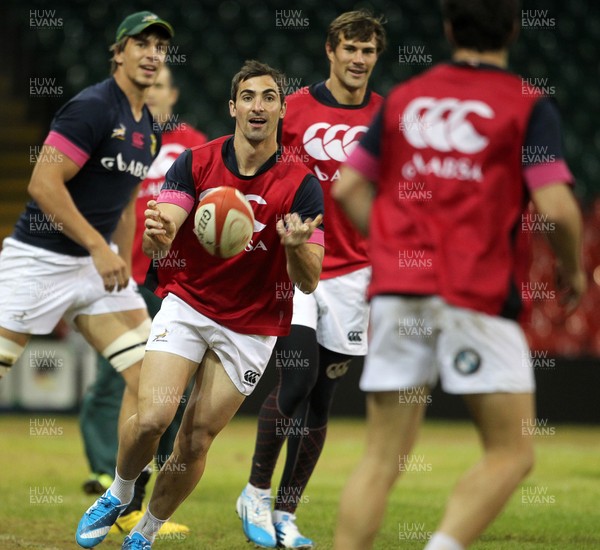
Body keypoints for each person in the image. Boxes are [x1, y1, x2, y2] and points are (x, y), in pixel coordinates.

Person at [331, 1, 586, 549]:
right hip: (475, 293)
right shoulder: (526, 104)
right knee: (512, 453)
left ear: (448, 28)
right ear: (515, 28)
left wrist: (391, 249)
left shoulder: (405, 97)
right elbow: (560, 209)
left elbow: (349, 188)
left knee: (380, 459)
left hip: (399, 294)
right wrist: (573, 272)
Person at [75, 59, 325, 550]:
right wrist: (160, 231)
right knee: (152, 419)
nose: (258, 105)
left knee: (195, 440)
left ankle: (145, 532)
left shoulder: (302, 186)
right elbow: (160, 235)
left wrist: (296, 247)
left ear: (281, 110)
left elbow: (310, 283)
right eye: (248, 96)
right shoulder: (196, 162)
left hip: (251, 325)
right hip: (189, 304)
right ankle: (120, 492)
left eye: (270, 97)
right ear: (233, 106)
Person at [237, 10, 386, 549]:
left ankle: (285, 514)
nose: (358, 59)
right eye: (350, 48)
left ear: (376, 56)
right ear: (331, 49)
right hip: (298, 265)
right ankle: (254, 491)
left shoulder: (386, 118)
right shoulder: (292, 107)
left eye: (368, 51)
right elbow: (248, 159)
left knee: (321, 403)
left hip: (356, 278)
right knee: (295, 382)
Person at [0, 10, 172, 450]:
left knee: (151, 380)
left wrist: (127, 263)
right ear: (118, 53)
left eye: (160, 47)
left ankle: (122, 500)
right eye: (141, 44)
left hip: (95, 273)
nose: (152, 55)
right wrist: (99, 246)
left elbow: (126, 201)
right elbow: (42, 183)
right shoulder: (92, 106)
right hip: (38, 261)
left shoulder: (149, 126)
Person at [79, 65, 206, 538]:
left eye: (161, 86)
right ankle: (103, 472)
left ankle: (150, 473)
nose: (153, 93)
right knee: (114, 382)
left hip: (174, 283)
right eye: (146, 85)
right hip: (121, 276)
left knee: (166, 394)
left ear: (173, 95)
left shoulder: (194, 144)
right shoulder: (119, 139)